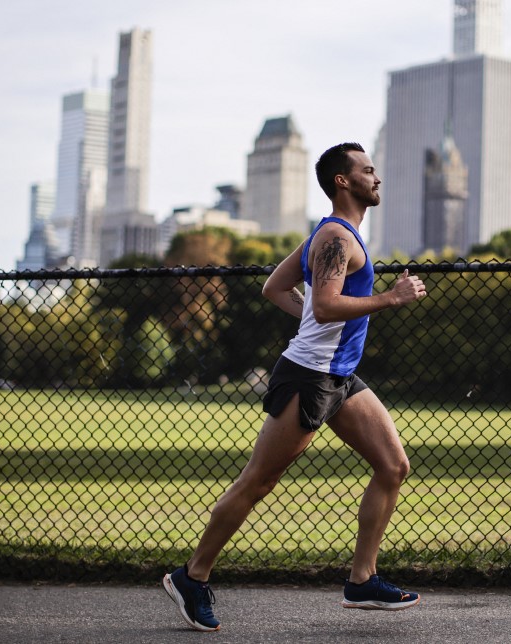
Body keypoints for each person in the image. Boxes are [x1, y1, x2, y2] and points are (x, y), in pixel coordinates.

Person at [163, 142, 427, 631]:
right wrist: (390, 298)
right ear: (343, 181)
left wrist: (314, 316)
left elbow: (275, 288)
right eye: (368, 170)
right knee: (258, 481)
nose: (377, 178)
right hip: (309, 376)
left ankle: (362, 580)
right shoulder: (335, 236)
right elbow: (324, 307)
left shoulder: (332, 235)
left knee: (393, 466)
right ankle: (191, 576)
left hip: (340, 376)